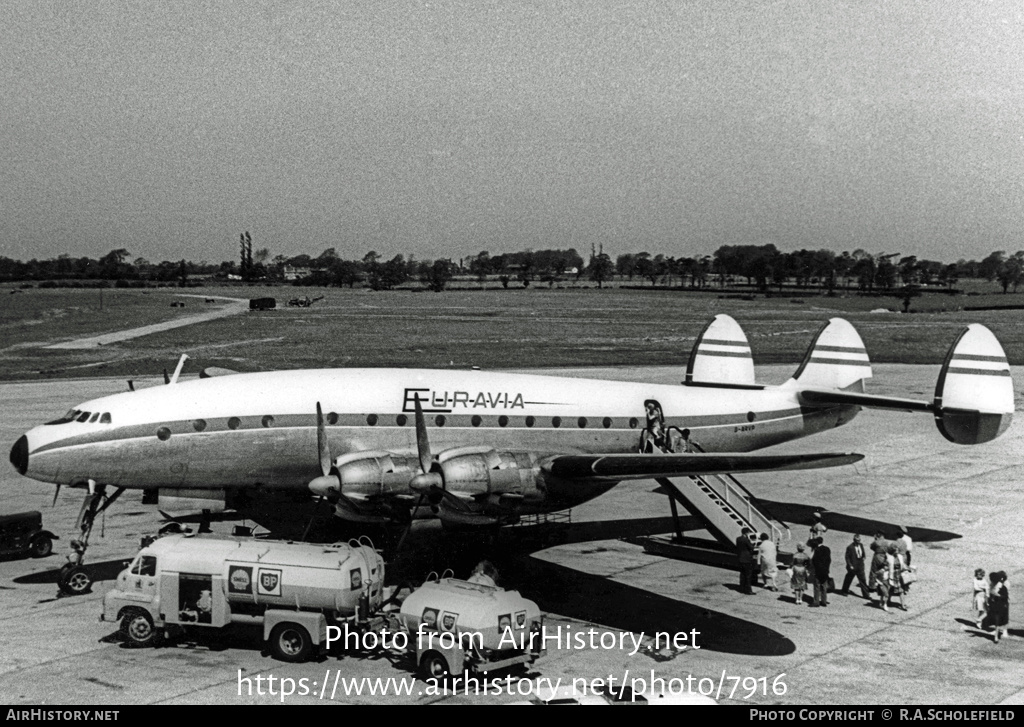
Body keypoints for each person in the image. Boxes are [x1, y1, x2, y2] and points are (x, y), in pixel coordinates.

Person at [841, 534, 869, 598]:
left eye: (859, 540)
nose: (858, 541)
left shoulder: (861, 545)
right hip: (853, 567)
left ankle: (866, 595)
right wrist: (850, 565)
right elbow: (847, 557)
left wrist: (864, 557)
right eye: (857, 540)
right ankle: (844, 591)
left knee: (863, 580)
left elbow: (863, 553)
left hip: (860, 566)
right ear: (854, 540)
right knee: (848, 579)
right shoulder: (850, 547)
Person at [870, 538, 891, 612]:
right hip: (883, 581)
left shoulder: (876, 542)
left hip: (886, 581)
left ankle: (881, 603)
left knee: (883, 593)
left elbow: (871, 547)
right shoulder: (881, 571)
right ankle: (884, 604)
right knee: (886, 593)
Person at [988, 571, 1009, 643]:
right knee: (996, 621)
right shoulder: (992, 585)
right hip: (994, 606)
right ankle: (996, 635)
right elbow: (990, 596)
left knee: (998, 622)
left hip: (1000, 606)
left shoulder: (1002, 587)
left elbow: (1005, 597)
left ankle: (996, 637)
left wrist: (997, 595)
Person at [811, 538, 832, 607]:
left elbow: (814, 560)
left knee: (817, 587)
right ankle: (824, 601)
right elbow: (829, 560)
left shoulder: (817, 550)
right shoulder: (827, 549)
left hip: (818, 571)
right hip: (825, 571)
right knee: (824, 586)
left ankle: (816, 602)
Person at [736, 527, 756, 594]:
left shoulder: (738, 539)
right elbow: (751, 547)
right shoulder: (746, 540)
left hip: (740, 558)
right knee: (748, 575)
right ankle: (748, 590)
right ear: (747, 532)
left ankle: (741, 588)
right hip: (747, 559)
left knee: (742, 574)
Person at [887, 544, 906, 611]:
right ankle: (888, 601)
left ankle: (903, 605)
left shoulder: (900, 556)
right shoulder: (889, 558)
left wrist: (906, 569)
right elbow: (887, 566)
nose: (897, 552)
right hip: (892, 575)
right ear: (892, 551)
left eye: (897, 550)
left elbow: (903, 565)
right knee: (891, 589)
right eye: (896, 551)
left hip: (899, 575)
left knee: (901, 591)